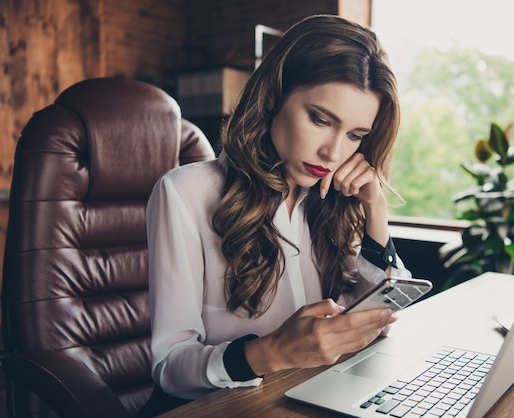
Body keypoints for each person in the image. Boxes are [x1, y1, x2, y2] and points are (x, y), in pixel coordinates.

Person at [138, 14, 412, 416]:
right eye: (320, 119)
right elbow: (169, 369)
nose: (334, 154)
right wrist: (272, 352)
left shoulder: (329, 198)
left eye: (355, 136)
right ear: (273, 98)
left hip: (306, 401)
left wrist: (375, 210)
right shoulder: (185, 192)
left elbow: (377, 317)